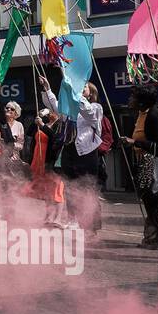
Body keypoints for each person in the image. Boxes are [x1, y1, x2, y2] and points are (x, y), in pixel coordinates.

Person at [40, 75, 104, 233]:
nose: (81, 89)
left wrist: (74, 94)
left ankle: (91, 224)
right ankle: (73, 218)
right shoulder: (68, 110)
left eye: (84, 87)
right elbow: (55, 105)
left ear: (91, 93)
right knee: (70, 188)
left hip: (87, 153)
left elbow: (87, 112)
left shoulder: (95, 107)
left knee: (88, 189)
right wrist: (47, 88)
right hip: (70, 150)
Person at [123, 85, 158, 247]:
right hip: (145, 165)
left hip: (155, 167)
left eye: (133, 97)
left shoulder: (155, 116)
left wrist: (136, 142)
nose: (129, 100)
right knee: (151, 203)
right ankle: (155, 238)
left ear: (141, 101)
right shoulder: (141, 115)